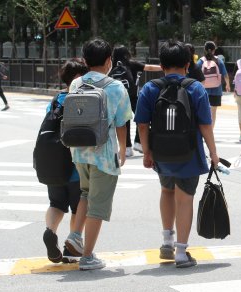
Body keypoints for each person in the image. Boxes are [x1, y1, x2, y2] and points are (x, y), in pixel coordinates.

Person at [135, 40, 219, 268]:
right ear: (186, 64)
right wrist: (213, 152)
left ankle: (166, 241)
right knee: (185, 199)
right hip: (189, 153)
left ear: (161, 65)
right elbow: (205, 125)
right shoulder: (195, 88)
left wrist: (146, 152)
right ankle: (181, 252)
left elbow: (142, 124)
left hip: (161, 152)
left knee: (166, 190)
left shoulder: (151, 88)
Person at [69, 38, 133, 270]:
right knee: (98, 205)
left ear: (85, 61)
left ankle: (75, 234)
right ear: (109, 61)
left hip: (79, 152)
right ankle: (87, 257)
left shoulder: (76, 84)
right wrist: (123, 151)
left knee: (85, 193)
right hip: (103, 155)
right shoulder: (115, 87)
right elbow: (121, 123)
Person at [42, 58, 89, 264]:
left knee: (56, 204)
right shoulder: (83, 101)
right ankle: (71, 248)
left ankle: (50, 230)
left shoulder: (55, 101)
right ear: (80, 78)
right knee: (78, 208)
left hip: (53, 164)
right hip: (75, 167)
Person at [111, 45, 161, 156]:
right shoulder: (131, 64)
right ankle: (138, 142)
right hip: (133, 97)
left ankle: (127, 148)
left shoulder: (111, 66)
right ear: (126, 54)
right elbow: (149, 68)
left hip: (120, 98)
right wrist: (163, 67)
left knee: (124, 123)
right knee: (142, 118)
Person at [196, 41, 230, 128]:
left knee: (204, 110)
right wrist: (227, 85)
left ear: (204, 49)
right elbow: (225, 75)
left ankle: (204, 130)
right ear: (214, 50)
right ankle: (211, 130)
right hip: (216, 89)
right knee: (213, 111)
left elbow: (196, 75)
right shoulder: (218, 61)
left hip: (203, 90)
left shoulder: (200, 61)